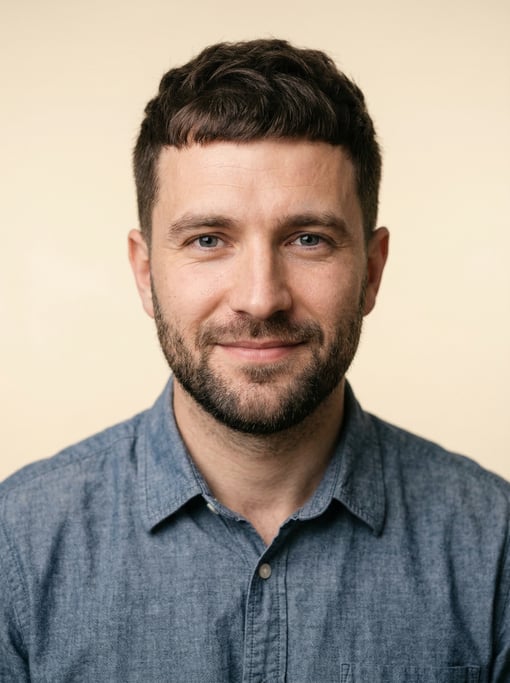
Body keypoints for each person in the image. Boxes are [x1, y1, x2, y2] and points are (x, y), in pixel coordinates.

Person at [0, 38, 508, 682]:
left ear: (372, 272)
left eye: (308, 239)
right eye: (208, 240)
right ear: (145, 272)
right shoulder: (15, 546)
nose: (260, 298)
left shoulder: (494, 546)